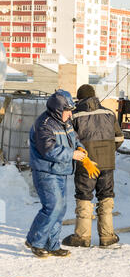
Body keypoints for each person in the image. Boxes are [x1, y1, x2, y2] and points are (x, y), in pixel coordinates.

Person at [62, 84, 124, 249]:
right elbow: (119, 138)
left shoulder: (74, 116)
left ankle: (82, 237)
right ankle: (107, 236)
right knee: (106, 196)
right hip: (107, 163)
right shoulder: (109, 113)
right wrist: (108, 152)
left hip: (86, 163)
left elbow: (70, 141)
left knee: (84, 196)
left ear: (80, 99)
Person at [26, 90, 86, 258]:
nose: (70, 113)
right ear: (58, 109)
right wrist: (71, 154)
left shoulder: (65, 122)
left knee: (60, 209)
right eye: (67, 110)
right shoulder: (44, 124)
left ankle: (52, 245)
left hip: (60, 171)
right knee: (53, 207)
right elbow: (48, 150)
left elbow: (74, 139)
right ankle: (35, 241)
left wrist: (79, 147)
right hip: (46, 171)